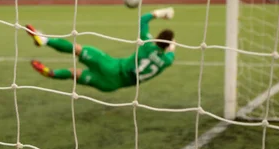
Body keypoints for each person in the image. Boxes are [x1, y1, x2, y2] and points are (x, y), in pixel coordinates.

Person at [26, 7, 176, 92]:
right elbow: (171, 54)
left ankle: (44, 40)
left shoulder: (148, 44)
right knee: (74, 73)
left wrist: (161, 13)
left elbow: (143, 19)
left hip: (111, 66)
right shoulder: (167, 61)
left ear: (156, 38)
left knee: (78, 49)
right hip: (111, 85)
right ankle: (51, 73)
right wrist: (172, 46)